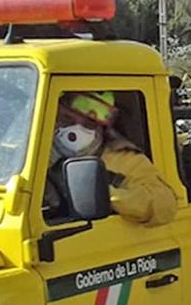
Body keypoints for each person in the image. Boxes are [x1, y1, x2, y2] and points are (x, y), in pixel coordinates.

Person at [47, 91, 178, 226]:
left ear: (102, 129)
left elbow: (163, 206)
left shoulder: (124, 160)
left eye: (89, 124)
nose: (74, 130)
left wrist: (106, 195)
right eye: (67, 119)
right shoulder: (31, 151)